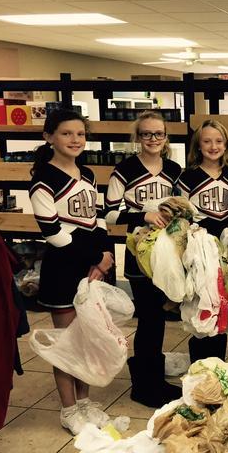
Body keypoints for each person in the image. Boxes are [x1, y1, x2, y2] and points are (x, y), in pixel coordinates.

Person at [29, 110, 115, 434]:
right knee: (67, 345)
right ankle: (68, 410)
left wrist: (105, 254)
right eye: (66, 133)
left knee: (89, 339)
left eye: (80, 133)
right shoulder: (43, 180)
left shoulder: (88, 173)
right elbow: (53, 232)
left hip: (91, 268)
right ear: (49, 137)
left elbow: (99, 217)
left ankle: (84, 403)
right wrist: (97, 257)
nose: (75, 139)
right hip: (63, 270)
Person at [104, 111, 181, 408]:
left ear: (166, 137)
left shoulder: (173, 169)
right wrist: (143, 215)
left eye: (158, 133)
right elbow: (109, 213)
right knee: (148, 317)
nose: (153, 139)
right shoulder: (124, 169)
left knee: (159, 317)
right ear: (138, 137)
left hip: (167, 252)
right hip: (138, 252)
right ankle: (143, 385)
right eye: (146, 133)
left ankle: (155, 379)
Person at [178, 119, 228, 363]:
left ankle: (217, 365)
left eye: (219, 141)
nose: (213, 146)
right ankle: (199, 366)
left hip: (223, 251)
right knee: (199, 306)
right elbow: (181, 214)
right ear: (198, 146)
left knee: (221, 305)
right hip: (198, 253)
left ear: (226, 145)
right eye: (206, 141)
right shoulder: (188, 177)